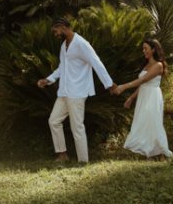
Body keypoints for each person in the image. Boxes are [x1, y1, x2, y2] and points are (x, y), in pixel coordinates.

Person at [37, 17, 115, 163]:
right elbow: (62, 67)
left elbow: (96, 62)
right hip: (64, 92)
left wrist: (109, 84)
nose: (55, 35)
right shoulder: (64, 45)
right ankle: (62, 154)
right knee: (54, 121)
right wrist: (48, 79)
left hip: (77, 92)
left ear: (63, 27)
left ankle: (83, 161)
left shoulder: (81, 44)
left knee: (77, 127)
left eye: (56, 31)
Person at [111, 39, 172, 160]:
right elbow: (142, 85)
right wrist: (131, 98)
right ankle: (149, 150)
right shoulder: (147, 65)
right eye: (143, 48)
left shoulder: (158, 65)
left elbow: (142, 80)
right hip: (144, 95)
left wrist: (123, 86)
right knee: (143, 121)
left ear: (153, 49)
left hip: (153, 96)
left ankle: (160, 153)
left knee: (153, 122)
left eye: (146, 48)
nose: (143, 51)